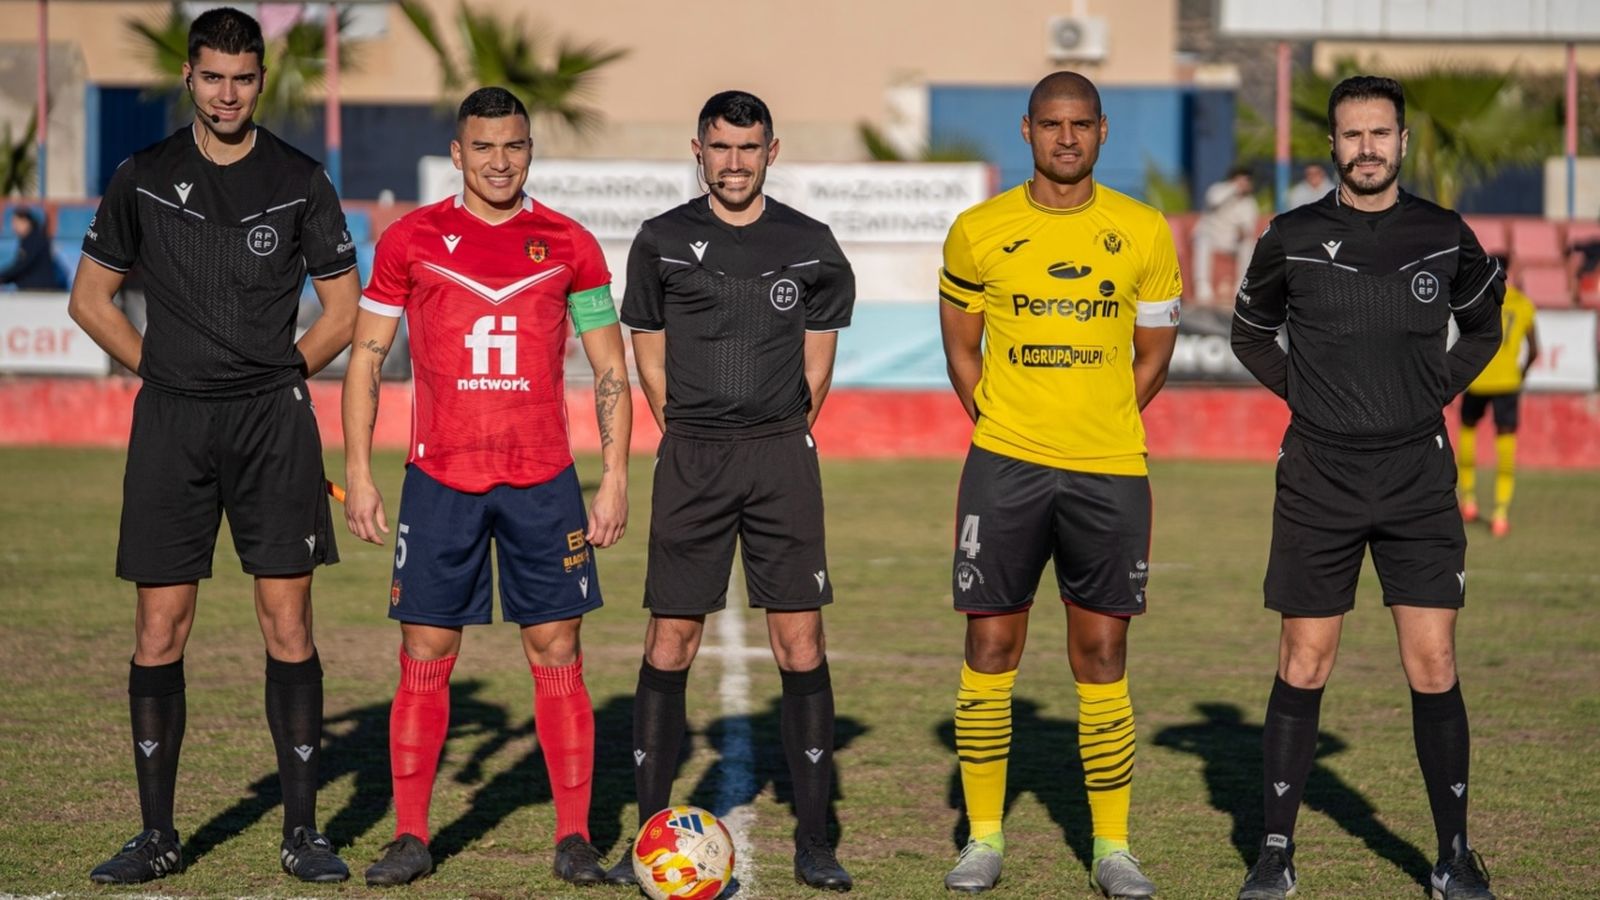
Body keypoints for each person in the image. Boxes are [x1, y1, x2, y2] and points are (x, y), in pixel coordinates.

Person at [66, 6, 360, 885]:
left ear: (259, 82)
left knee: (287, 622)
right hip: (172, 423)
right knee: (160, 629)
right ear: (189, 78)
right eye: (212, 76)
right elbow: (91, 298)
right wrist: (160, 371)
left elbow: (343, 312)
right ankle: (157, 835)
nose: (227, 93)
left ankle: (302, 835)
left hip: (273, 426)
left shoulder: (302, 178)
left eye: (242, 78)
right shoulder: (145, 175)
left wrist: (278, 377)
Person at [341, 86, 631, 887]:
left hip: (545, 481)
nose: (500, 161)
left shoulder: (569, 243)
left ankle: (574, 838)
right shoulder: (411, 239)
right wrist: (361, 473)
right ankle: (410, 835)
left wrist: (614, 481)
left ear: (529, 151)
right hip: (440, 479)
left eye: (515, 146)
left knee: (559, 650)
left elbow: (611, 368)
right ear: (458, 152)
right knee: (424, 653)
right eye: (484, 146)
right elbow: (366, 358)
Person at [1230, 75, 1503, 900]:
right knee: (1305, 663)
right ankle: (1275, 855)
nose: (1367, 148)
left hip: (1417, 474)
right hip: (1319, 474)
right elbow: (1250, 332)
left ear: (1403, 142)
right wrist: (1306, 396)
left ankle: (1454, 855)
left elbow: (1486, 323)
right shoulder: (1292, 235)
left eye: (1380, 134)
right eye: (1352, 135)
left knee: (1433, 661)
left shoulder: (1444, 234)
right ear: (1333, 146)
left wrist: (1437, 389)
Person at [937, 71, 1181, 898]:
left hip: (1110, 470)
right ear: (1027, 130)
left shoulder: (1145, 231)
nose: (1066, 138)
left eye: (1080, 125)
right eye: (1051, 124)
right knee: (990, 647)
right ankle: (983, 838)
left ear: (1103, 132)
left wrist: (1101, 418)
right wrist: (1008, 424)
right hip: (1004, 464)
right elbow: (961, 351)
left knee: (1103, 654)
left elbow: (1153, 356)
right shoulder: (979, 231)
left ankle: (1112, 848)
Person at [606, 89, 856, 892]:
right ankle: (646, 837)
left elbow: (818, 369)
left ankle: (815, 840)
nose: (735, 162)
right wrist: (692, 431)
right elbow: (646, 356)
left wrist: (774, 434)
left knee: (800, 644)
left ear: (771, 153)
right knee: (670, 641)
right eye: (721, 148)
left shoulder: (811, 245)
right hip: (693, 460)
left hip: (781, 458)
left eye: (749, 149)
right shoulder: (662, 241)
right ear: (698, 149)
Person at [1458, 262, 1539, 537]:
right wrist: (1521, 374)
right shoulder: (1524, 304)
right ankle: (1500, 515)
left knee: (1467, 431)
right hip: (1507, 383)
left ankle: (1468, 501)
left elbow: (1462, 337)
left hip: (1478, 378)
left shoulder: (1477, 297)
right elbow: (1535, 349)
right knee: (1505, 446)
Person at [1192, 165, 1258, 305]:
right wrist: (1234, 188)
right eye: (1241, 180)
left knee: (1248, 244)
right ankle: (1202, 284)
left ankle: (1240, 286)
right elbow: (1214, 201)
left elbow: (1247, 227)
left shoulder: (1250, 202)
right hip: (1210, 234)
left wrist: (1243, 232)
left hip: (1230, 241)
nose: (1244, 184)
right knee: (1203, 239)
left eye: (1247, 181)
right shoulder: (1218, 189)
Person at [0, 207, 67, 290]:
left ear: (25, 221)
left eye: (15, 223)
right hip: (36, 291)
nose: (13, 227)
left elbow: (22, 265)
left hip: (38, 292)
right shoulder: (33, 238)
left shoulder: (33, 239)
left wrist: (2, 277)